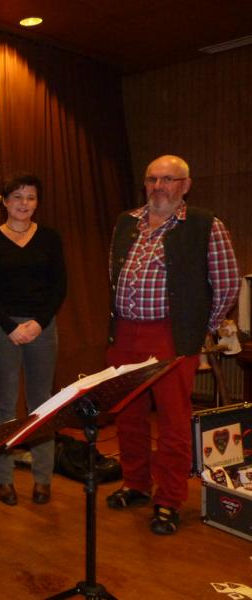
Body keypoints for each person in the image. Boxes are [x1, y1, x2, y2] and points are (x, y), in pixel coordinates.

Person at [105, 154, 239, 535]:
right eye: (152, 179)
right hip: (124, 333)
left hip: (170, 335)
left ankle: (168, 499)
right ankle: (135, 484)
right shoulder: (126, 221)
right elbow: (114, 272)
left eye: (168, 179)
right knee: (128, 414)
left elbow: (228, 284)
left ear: (185, 185)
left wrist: (198, 329)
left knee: (173, 420)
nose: (159, 186)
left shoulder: (205, 225)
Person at [0, 172, 67, 506]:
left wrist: (38, 323)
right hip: (4, 329)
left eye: (30, 197)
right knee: (4, 403)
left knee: (42, 402)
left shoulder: (50, 238)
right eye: (17, 197)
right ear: (4, 201)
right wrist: (10, 326)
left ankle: (43, 478)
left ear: (37, 202)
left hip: (42, 327)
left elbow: (59, 286)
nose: (24, 203)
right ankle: (4, 478)